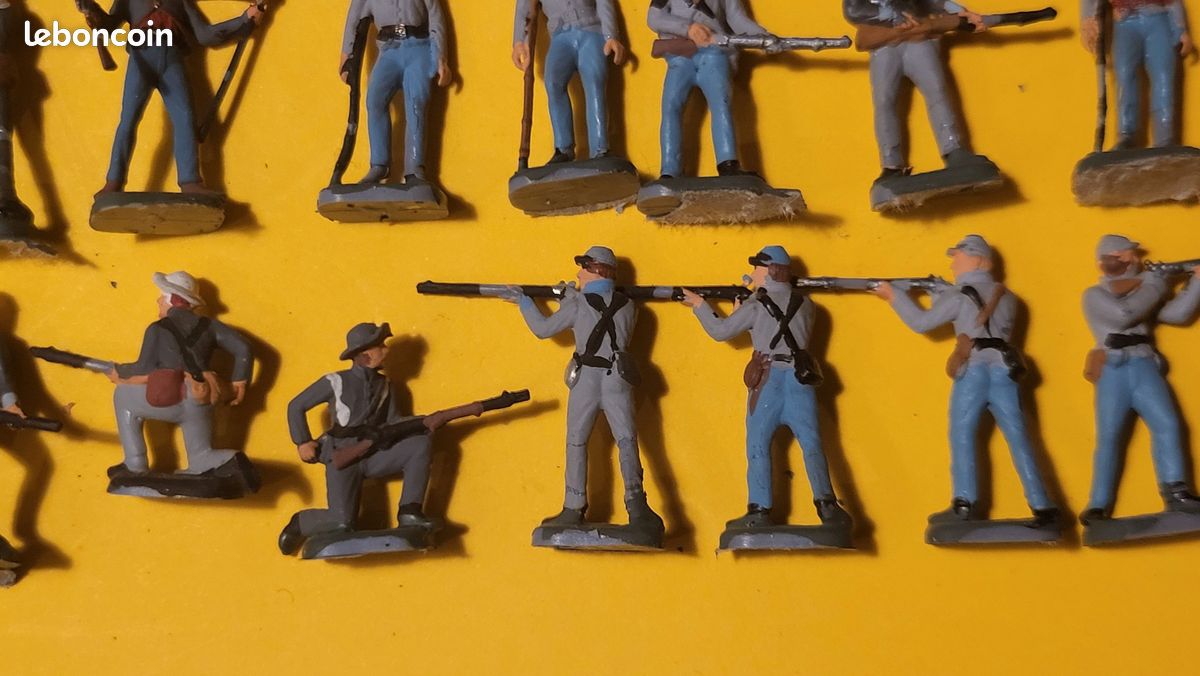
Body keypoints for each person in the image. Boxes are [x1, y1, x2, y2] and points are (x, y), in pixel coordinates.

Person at [873, 235, 1059, 526]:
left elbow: (922, 323)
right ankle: (1043, 505)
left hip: (973, 369)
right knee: (1019, 437)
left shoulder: (959, 295)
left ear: (978, 260)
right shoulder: (1008, 296)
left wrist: (893, 296)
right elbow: (970, 319)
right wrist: (941, 293)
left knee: (962, 436)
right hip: (1004, 368)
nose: (953, 263)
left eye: (958, 257)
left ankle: (964, 503)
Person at [679, 245, 851, 530]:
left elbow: (721, 332)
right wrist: (748, 309)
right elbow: (779, 330)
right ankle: (828, 506)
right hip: (799, 378)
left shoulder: (757, 304)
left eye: (756, 268)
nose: (752, 273)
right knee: (811, 443)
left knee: (758, 444)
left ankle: (759, 510)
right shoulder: (807, 305)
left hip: (768, 379)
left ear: (769, 271)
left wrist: (700, 305)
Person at [509, 246, 663, 532]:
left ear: (596, 270)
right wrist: (571, 298)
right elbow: (599, 313)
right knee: (627, 440)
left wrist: (524, 302)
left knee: (577, 441)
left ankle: (574, 505)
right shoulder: (629, 306)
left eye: (584, 268)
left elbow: (543, 329)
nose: (579, 274)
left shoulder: (577, 305)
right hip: (617, 377)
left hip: (588, 378)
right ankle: (637, 506)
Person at [278, 323, 435, 554]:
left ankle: (409, 511)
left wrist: (421, 423)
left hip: (373, 454)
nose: (386, 350)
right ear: (365, 353)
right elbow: (296, 406)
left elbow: (392, 422)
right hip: (342, 456)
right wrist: (303, 441)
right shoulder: (335, 381)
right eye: (380, 346)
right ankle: (300, 523)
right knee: (341, 522)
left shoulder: (385, 386)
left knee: (419, 445)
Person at [1080, 235, 1200, 524]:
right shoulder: (1094, 294)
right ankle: (1097, 505)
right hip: (1113, 368)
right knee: (1110, 436)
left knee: (1167, 424)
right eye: (1126, 255)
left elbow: (1178, 314)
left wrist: (1196, 282)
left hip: (1144, 363)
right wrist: (1156, 283)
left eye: (1132, 254)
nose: (1134, 260)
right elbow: (1124, 315)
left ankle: (1176, 492)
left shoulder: (1144, 292)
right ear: (1107, 260)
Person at [342, 0, 452, 184]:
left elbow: (435, 16)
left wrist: (440, 57)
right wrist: (347, 57)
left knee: (416, 103)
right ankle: (379, 165)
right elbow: (354, 20)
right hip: (389, 51)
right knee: (374, 100)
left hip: (419, 48)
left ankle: (414, 168)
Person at [512, 0, 626, 164]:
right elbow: (525, 9)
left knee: (594, 80)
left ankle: (600, 148)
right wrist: (519, 42)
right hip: (560, 36)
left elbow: (603, 2)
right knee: (552, 82)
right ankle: (563, 147)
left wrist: (611, 36)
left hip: (590, 30)